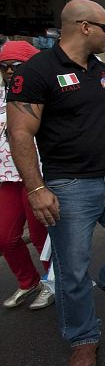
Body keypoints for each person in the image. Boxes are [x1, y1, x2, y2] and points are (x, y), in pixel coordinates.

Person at [7, 0, 105, 366]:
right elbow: (20, 131)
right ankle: (82, 336)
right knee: (72, 269)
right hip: (68, 185)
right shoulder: (36, 72)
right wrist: (36, 188)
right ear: (85, 27)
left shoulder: (103, 72)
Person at [0, 41, 53, 311]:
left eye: (16, 66)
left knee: (41, 233)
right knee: (5, 237)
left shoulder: (46, 94)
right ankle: (27, 281)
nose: (9, 71)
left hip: (38, 175)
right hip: (6, 176)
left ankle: (53, 282)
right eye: (4, 66)